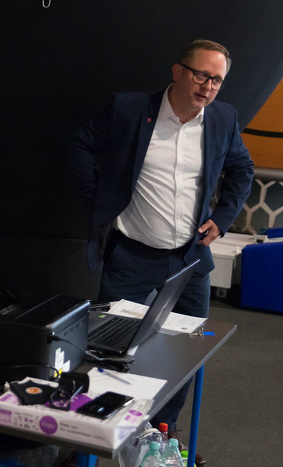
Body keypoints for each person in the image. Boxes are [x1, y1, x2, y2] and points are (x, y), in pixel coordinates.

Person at [66, 39, 254, 465]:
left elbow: (241, 167)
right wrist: (99, 199)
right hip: (130, 256)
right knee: (110, 352)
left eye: (217, 80)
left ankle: (162, 435)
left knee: (186, 354)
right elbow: (79, 144)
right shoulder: (130, 109)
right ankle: (95, 440)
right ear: (177, 71)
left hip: (189, 259)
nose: (208, 87)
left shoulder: (223, 117)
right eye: (201, 75)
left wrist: (223, 217)